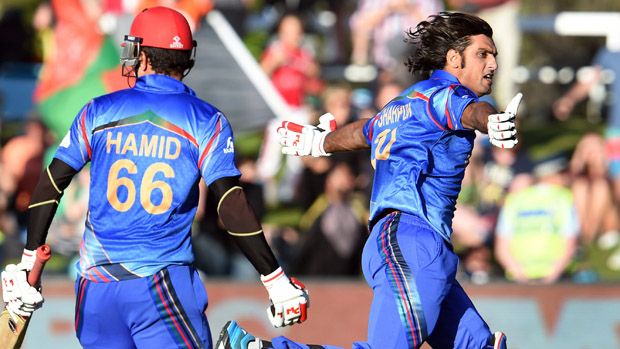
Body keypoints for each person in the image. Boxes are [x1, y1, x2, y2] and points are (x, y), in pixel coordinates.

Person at [0, 6, 309, 349]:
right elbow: (230, 204)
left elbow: (51, 184)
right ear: (187, 58)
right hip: (160, 286)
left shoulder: (98, 109)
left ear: (140, 54)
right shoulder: (206, 120)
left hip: (95, 289)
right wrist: (274, 276)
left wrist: (28, 262)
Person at [217, 11, 521, 349]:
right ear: (454, 59)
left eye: (494, 55)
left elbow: (363, 131)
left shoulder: (404, 102)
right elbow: (469, 112)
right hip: (413, 241)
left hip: (406, 242)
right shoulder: (447, 98)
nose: (493, 63)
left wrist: (319, 141)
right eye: (483, 54)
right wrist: (490, 120)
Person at [494, 154, 579, 284]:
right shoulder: (565, 198)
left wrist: (520, 277)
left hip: (518, 278)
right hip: (558, 278)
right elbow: (570, 243)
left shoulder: (513, 199)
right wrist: (550, 279)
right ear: (555, 174)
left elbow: (501, 247)